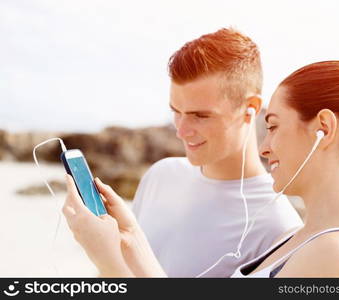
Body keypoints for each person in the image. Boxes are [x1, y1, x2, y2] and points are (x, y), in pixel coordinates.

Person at [64, 60, 339, 278]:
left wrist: (110, 262)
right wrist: (131, 243)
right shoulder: (305, 241)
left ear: (323, 127)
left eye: (274, 126)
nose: (264, 146)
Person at [62, 28, 303, 278]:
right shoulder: (161, 175)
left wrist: (107, 260)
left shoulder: (279, 228)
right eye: (176, 111)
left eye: (200, 115)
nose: (182, 130)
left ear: (250, 108)